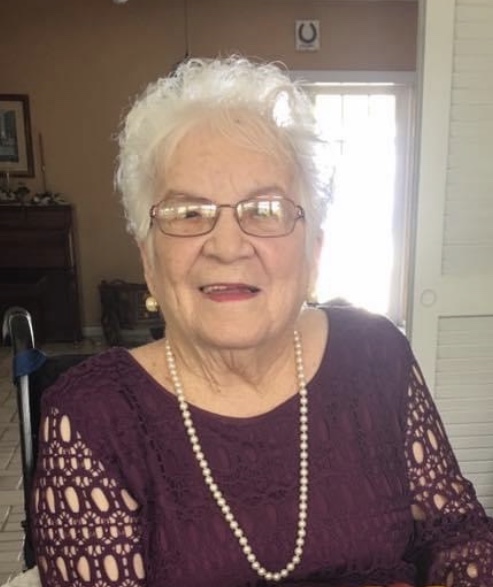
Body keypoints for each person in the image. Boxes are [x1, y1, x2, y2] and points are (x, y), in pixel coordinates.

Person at [31, 55, 493, 587]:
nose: (228, 246)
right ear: (149, 260)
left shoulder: (377, 354)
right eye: (189, 213)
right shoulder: (92, 416)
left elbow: (458, 536)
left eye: (266, 209)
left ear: (313, 252)